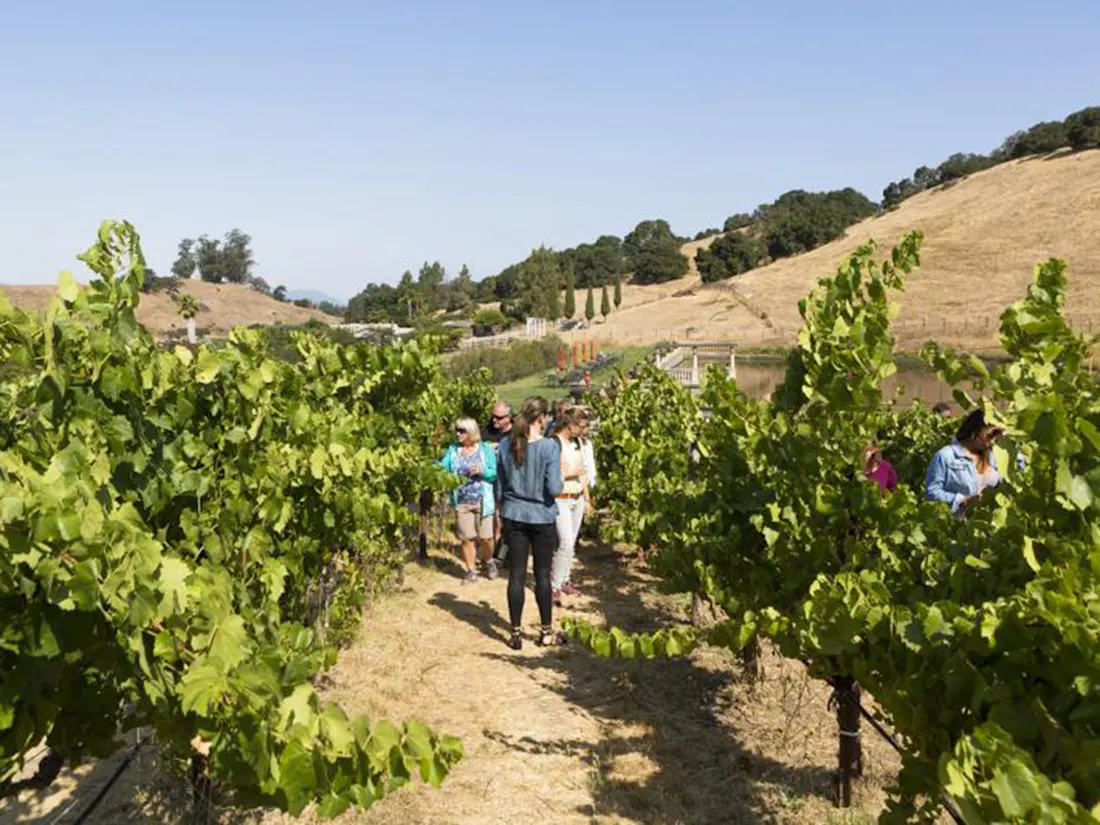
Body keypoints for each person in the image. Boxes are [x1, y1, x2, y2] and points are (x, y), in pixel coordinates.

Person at [497, 396, 564, 649]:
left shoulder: (506, 444)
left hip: (514, 513)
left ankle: (515, 633)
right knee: (542, 575)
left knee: (516, 574)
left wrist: (501, 511)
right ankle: (546, 631)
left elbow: (500, 484)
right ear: (542, 418)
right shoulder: (549, 447)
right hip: (542, 515)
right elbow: (554, 488)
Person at [439, 418, 498, 583]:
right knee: (466, 538)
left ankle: (489, 560)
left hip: (482, 501)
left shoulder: (485, 450)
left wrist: (482, 471)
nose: (458, 434)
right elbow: (442, 467)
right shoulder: (453, 451)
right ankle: (471, 571)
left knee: (486, 538)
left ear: (471, 432)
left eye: (462, 431)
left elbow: (494, 473)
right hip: (461, 501)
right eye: (457, 430)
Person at [925, 409, 1001, 516]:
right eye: (990, 435)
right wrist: (962, 500)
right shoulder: (946, 456)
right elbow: (931, 493)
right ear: (974, 433)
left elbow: (1014, 476)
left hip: (989, 522)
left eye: (995, 436)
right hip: (959, 522)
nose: (992, 441)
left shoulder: (993, 455)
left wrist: (1009, 443)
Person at [550, 407, 590, 603]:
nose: (583, 430)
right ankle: (554, 585)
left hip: (577, 497)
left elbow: (583, 472)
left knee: (571, 542)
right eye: (581, 426)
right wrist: (569, 472)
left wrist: (587, 499)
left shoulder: (578, 443)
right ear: (570, 424)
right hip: (561, 498)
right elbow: (553, 474)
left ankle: (565, 578)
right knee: (565, 542)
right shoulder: (554, 444)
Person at [483, 401, 513, 564]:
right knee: (495, 519)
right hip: (491, 482)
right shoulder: (486, 432)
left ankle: (505, 555)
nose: (495, 420)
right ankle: (493, 555)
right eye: (493, 416)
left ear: (509, 418)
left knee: (507, 520)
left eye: (499, 417)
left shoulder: (516, 434)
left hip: (510, 482)